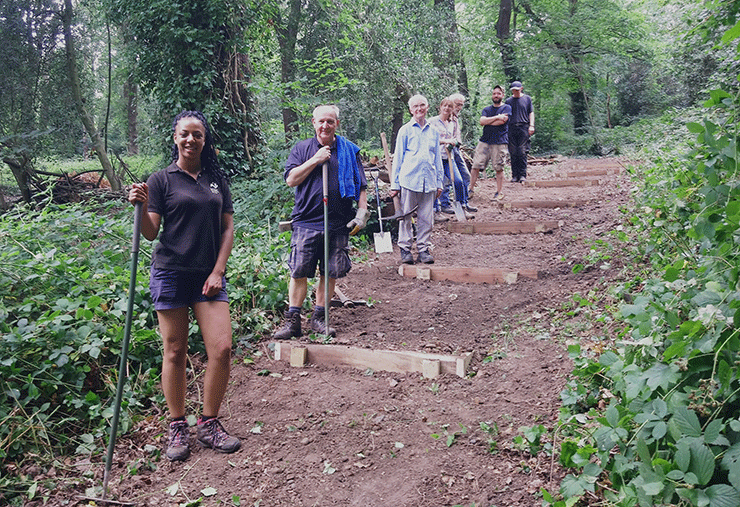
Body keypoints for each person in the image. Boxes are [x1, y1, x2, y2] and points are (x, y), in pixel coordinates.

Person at [127, 110, 239, 462]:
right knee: (175, 351)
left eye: (198, 135)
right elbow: (149, 233)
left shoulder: (217, 180)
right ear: (174, 137)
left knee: (220, 349)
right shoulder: (161, 180)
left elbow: (227, 229)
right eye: (185, 134)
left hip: (208, 275)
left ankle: (208, 422)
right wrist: (142, 206)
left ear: (205, 140)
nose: (191, 140)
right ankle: (177, 425)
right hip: (171, 273)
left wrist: (218, 270)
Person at [273, 105, 368, 340]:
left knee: (329, 272)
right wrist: (316, 159)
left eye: (330, 121)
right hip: (306, 221)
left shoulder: (349, 151)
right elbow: (291, 180)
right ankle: (293, 322)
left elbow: (361, 184)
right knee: (298, 272)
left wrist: (362, 213)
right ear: (313, 123)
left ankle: (320, 319)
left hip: (338, 222)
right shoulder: (302, 149)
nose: (325, 126)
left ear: (337, 124)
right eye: (321, 121)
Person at [391, 94, 444, 265]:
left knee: (426, 218)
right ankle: (405, 249)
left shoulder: (434, 132)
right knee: (406, 216)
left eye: (422, 105)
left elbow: (437, 159)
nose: (419, 109)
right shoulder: (405, 130)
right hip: (409, 180)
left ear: (428, 107)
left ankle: (423, 249)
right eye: (416, 106)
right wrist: (395, 184)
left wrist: (439, 182)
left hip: (429, 181)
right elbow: (398, 158)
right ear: (410, 110)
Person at [429, 98, 472, 219]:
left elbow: (457, 140)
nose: (447, 108)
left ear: (452, 109)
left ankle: (462, 207)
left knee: (458, 181)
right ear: (440, 107)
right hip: (435, 158)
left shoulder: (453, 124)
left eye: (449, 106)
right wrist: (445, 141)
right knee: (436, 184)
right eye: (445, 106)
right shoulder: (432, 122)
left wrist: (454, 143)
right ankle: (435, 211)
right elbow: (429, 139)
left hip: (449, 157)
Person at [471, 85, 511, 199]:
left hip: (499, 142)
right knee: (476, 165)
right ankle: (471, 189)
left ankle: (499, 192)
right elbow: (481, 121)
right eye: (494, 93)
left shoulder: (507, 108)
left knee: (498, 167)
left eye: (498, 93)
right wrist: (497, 117)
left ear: (503, 95)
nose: (496, 95)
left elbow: (502, 122)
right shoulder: (487, 109)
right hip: (485, 141)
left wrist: (488, 121)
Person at [447, 93, 475, 211]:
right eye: (457, 104)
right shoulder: (446, 118)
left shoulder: (456, 118)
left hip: (456, 150)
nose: (459, 107)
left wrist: (458, 143)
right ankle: (445, 204)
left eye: (461, 105)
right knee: (449, 180)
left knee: (465, 176)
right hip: (447, 151)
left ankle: (464, 202)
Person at [506, 81, 535, 183]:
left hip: (524, 127)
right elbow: (506, 116)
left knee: (522, 152)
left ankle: (522, 175)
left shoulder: (527, 99)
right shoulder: (508, 101)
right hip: (511, 127)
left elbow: (531, 113)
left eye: (517, 90)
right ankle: (515, 175)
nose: (515, 92)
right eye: (513, 90)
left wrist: (531, 125)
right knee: (513, 152)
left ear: (521, 89)